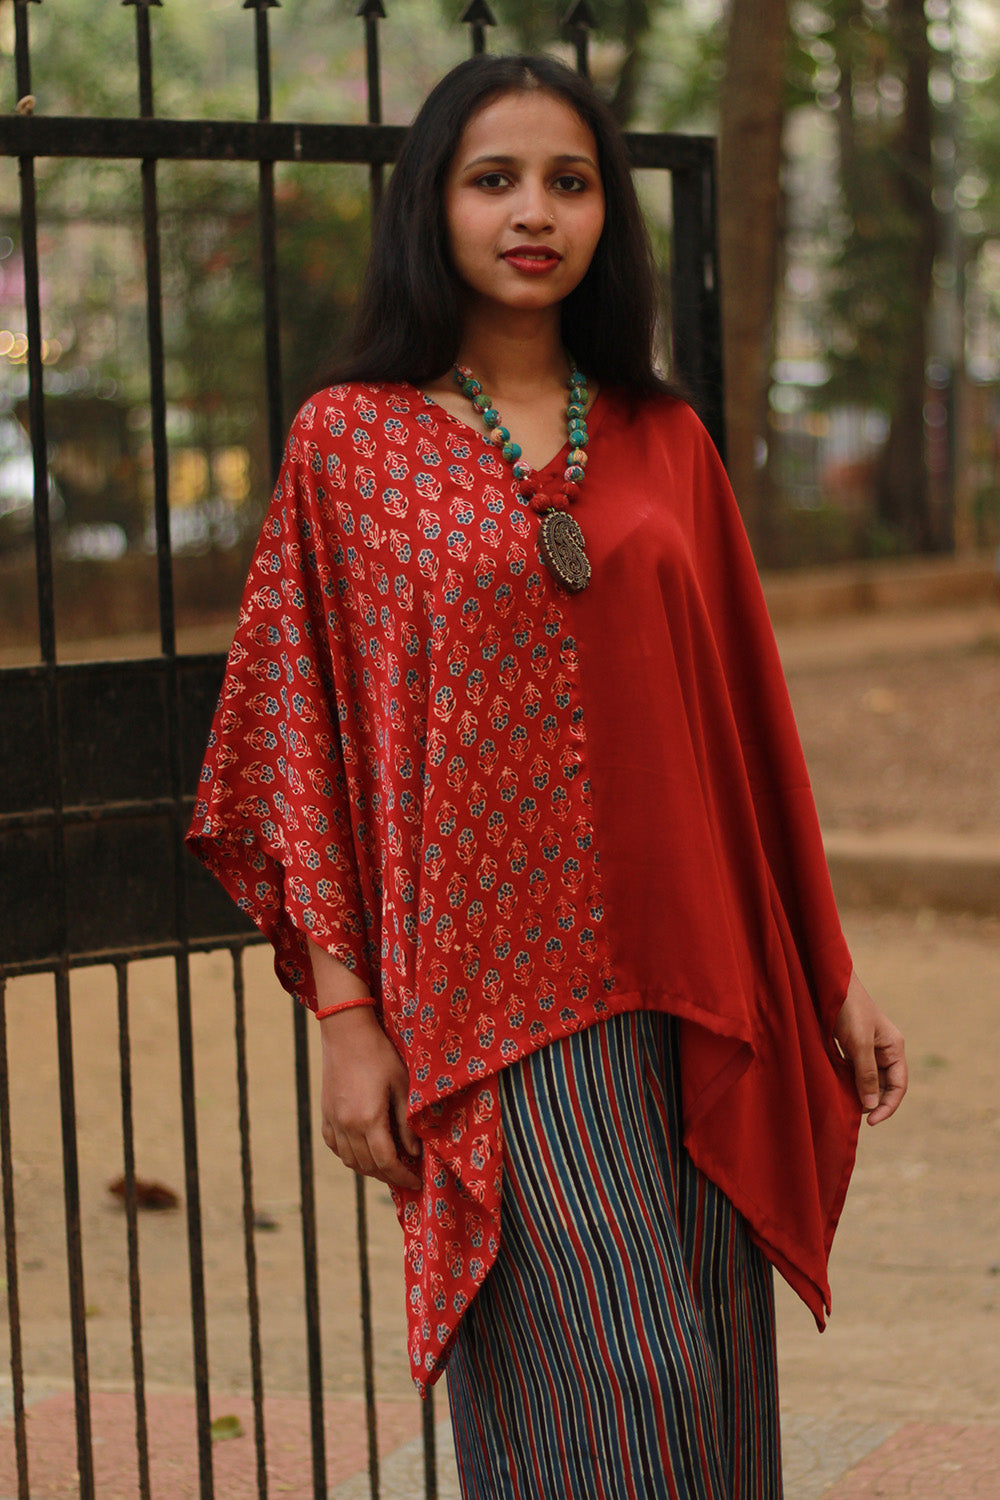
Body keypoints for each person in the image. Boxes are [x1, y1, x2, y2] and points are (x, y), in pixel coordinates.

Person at [187, 52, 907, 1500]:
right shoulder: (352, 445)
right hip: (501, 1000)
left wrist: (828, 974)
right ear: (431, 206)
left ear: (606, 217)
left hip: (700, 975)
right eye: (494, 180)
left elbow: (749, 729)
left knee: (715, 1370)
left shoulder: (664, 438)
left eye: (570, 183)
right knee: (623, 1383)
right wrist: (347, 1019)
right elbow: (300, 746)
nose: (535, 213)